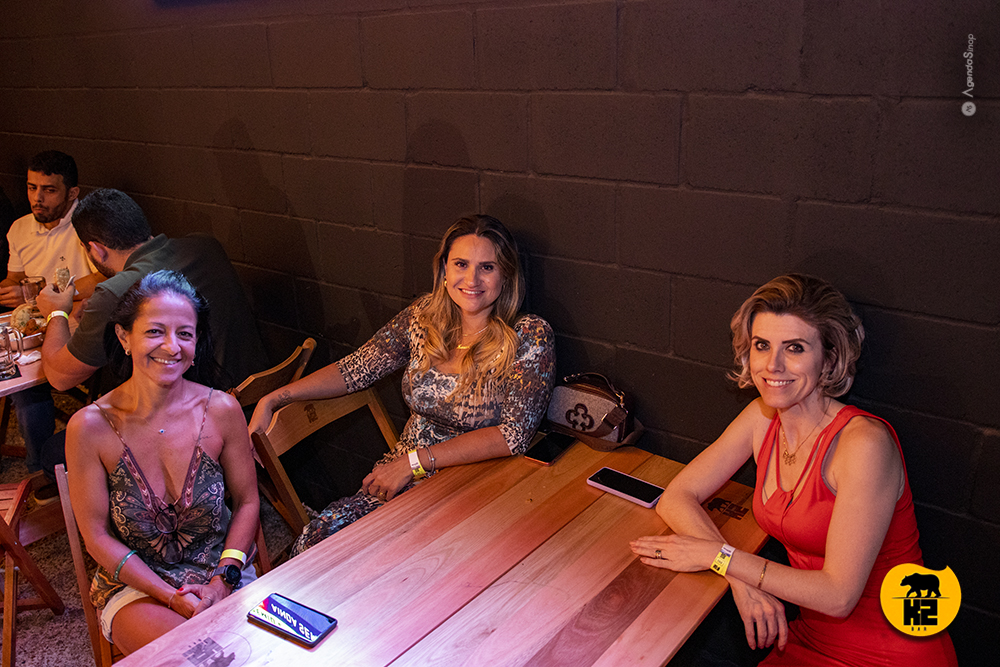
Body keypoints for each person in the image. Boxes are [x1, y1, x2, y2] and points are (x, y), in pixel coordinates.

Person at [630, 274, 957, 666]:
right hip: (809, 636)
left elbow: (838, 596)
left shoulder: (864, 444)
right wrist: (737, 578)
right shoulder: (762, 417)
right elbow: (677, 496)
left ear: (830, 359)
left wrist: (720, 556)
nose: (773, 364)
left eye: (795, 348)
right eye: (762, 345)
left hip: (892, 650)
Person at [249, 214, 555, 556]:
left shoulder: (528, 334)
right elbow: (356, 368)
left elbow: (513, 435)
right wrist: (274, 398)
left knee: (401, 564)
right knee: (317, 543)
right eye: (461, 264)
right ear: (444, 269)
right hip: (402, 475)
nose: (472, 279)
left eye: (487, 267)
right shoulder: (423, 317)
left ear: (506, 275)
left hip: (477, 483)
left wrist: (415, 462)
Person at [65, 270, 260, 654]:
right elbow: (96, 536)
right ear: (124, 337)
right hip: (137, 587)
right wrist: (169, 596)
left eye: (184, 334)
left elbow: (248, 502)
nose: (171, 347)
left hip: (221, 574)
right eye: (155, 331)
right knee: (193, 656)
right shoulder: (89, 427)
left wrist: (223, 580)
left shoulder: (222, 410)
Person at [34, 188, 268, 486]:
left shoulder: (116, 293)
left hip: (199, 425)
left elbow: (59, 377)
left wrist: (56, 312)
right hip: (252, 397)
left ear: (96, 249)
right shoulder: (205, 246)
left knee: (54, 453)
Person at [1, 151, 102, 491]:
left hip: (74, 322)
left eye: (49, 190)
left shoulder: (87, 225)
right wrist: (12, 290)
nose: (37, 198)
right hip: (34, 323)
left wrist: (47, 292)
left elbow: (104, 276)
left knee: (27, 385)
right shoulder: (20, 228)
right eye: (32, 188)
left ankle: (40, 473)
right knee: (10, 364)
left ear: (72, 193)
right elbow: (14, 279)